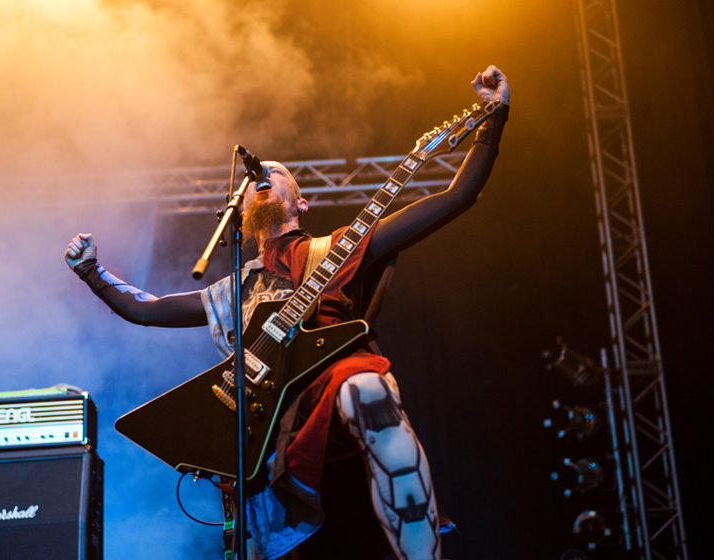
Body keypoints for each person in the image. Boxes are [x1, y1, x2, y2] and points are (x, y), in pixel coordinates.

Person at [65, 66, 510, 560]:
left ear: (300, 200)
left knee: (367, 387)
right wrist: (92, 272)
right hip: (269, 419)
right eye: (255, 177)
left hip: (336, 383)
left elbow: (456, 198)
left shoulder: (340, 246)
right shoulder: (238, 286)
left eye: (273, 174)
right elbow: (146, 309)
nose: (261, 179)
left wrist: (493, 121)